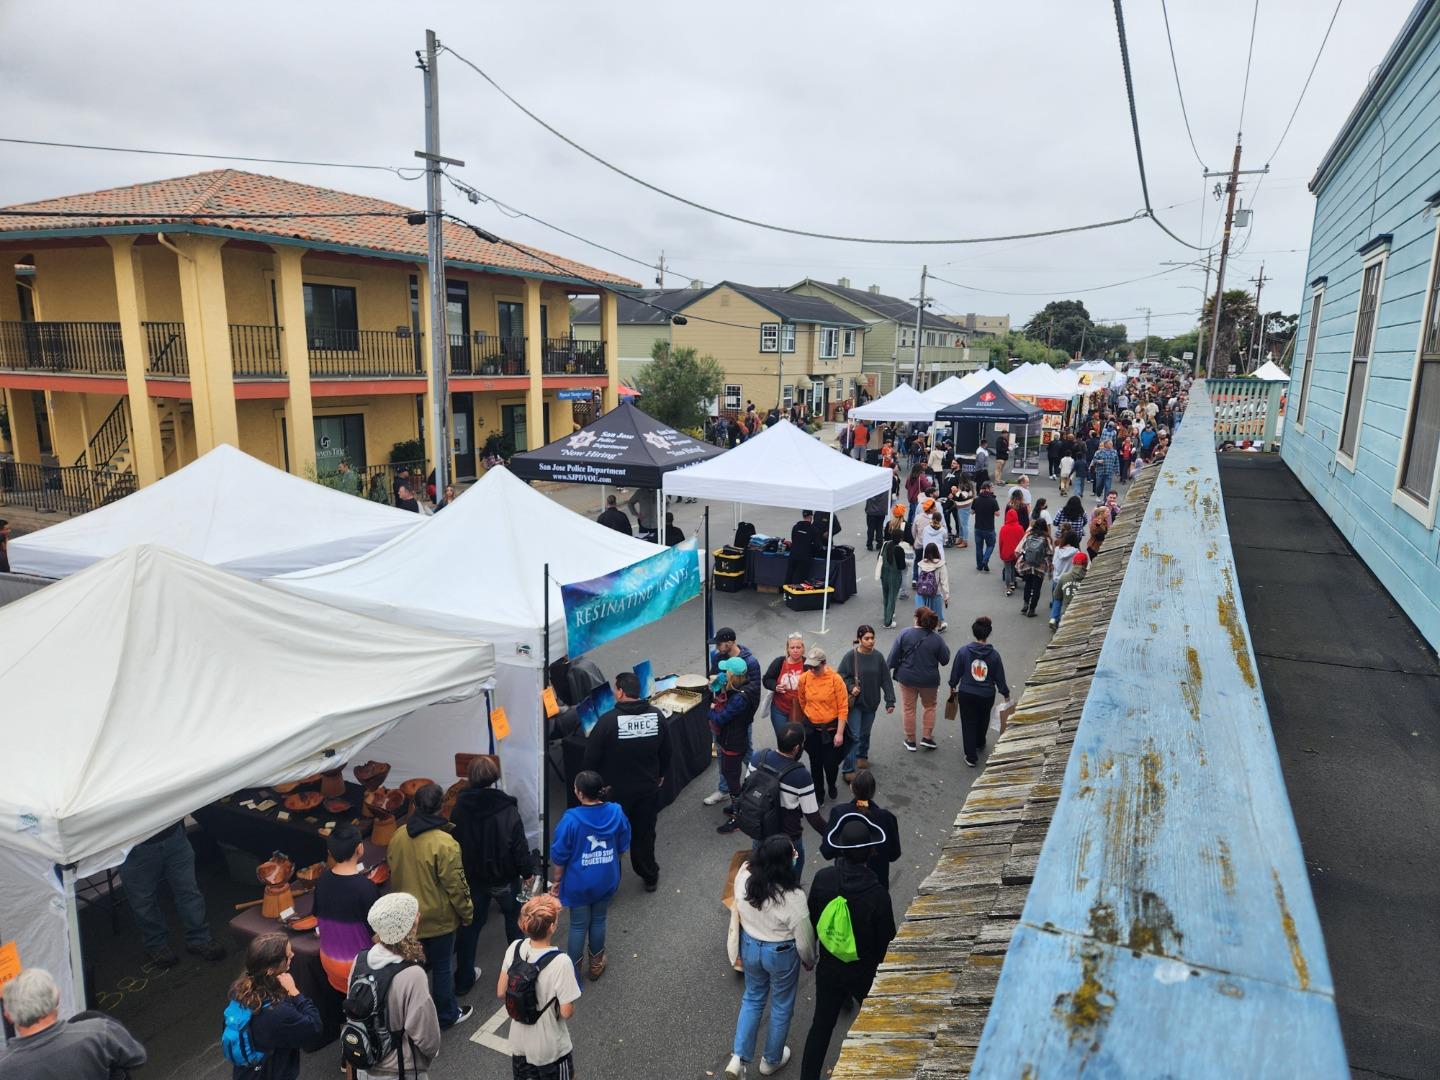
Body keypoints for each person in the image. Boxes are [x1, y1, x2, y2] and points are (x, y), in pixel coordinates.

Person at [798, 814, 897, 1080]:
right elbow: (886, 943)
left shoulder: (822, 879)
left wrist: (813, 953)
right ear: (870, 853)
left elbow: (813, 917)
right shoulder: (877, 895)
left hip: (829, 966)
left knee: (821, 1027)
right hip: (863, 971)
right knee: (874, 1023)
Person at [724, 835, 818, 1080]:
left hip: (750, 946)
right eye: (793, 855)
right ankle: (771, 1060)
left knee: (753, 998)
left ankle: (738, 1058)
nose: (796, 857)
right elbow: (805, 937)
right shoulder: (793, 897)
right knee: (781, 1005)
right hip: (781, 953)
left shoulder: (745, 874)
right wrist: (809, 959)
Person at [386, 783, 475, 1028]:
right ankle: (446, 1014)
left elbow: (393, 867)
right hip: (439, 919)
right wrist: (467, 913)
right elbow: (457, 885)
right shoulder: (445, 843)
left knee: (415, 967)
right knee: (442, 967)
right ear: (441, 807)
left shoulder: (399, 834)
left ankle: (413, 1011)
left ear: (414, 806)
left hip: (408, 916)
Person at [452, 755, 537, 989]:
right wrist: (527, 872)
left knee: (471, 926)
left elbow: (455, 842)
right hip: (504, 877)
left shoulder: (459, 808)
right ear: (493, 777)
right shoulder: (506, 808)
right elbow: (518, 845)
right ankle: (519, 972)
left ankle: (463, 978)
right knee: (513, 918)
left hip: (473, 878)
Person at [586, 671, 670, 890]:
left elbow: (590, 759)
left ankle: (609, 881)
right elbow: (667, 751)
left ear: (621, 692)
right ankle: (649, 875)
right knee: (644, 834)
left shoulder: (606, 722)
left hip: (615, 793)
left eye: (616, 689)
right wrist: (660, 775)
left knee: (611, 838)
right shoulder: (657, 716)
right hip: (646, 790)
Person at [353, 892, 443, 1080]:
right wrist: (428, 1056)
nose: (418, 916)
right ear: (409, 926)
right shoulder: (413, 975)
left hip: (366, 1062)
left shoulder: (360, 960)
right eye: (414, 914)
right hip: (400, 1069)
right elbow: (426, 1036)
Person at [551, 771, 630, 980]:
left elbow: (559, 854)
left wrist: (557, 880)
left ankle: (573, 973)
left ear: (578, 793)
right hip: (606, 878)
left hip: (578, 882)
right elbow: (623, 843)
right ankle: (596, 965)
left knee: (578, 925)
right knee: (599, 920)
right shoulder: (616, 812)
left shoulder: (571, 819)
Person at [0, 968, 145, 1080]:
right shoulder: (98, 1032)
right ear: (57, 998)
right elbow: (137, 1058)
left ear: (8, 1015)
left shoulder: (4, 1067)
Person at [119, 820, 226, 969]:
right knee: (143, 901)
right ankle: (156, 945)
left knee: (189, 891)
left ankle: (199, 938)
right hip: (135, 845)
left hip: (173, 835)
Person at [498, 892, 581, 1080]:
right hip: (550, 1047)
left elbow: (501, 992)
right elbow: (566, 1012)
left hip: (520, 1041)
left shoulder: (515, 948)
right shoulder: (561, 962)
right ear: (551, 927)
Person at [226, 933, 323, 1080]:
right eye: (288, 956)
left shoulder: (239, 989)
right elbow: (314, 1028)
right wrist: (294, 992)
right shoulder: (277, 1012)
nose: (293, 955)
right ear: (270, 970)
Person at [312, 824, 380, 993]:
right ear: (360, 848)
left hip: (329, 962)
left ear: (330, 853)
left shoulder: (322, 881)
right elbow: (378, 935)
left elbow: (317, 915)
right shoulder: (366, 888)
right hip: (360, 969)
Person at [706, 628, 763, 806]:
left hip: (738, 719)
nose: (716, 647)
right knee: (722, 754)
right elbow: (714, 679)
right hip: (723, 713)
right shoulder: (717, 657)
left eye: (719, 643)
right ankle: (724, 790)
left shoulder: (750, 662)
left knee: (746, 753)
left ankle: (761, 786)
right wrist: (713, 683)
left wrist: (744, 718)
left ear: (730, 643)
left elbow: (753, 693)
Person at [819, 770, 902, 889]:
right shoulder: (887, 817)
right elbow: (894, 854)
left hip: (845, 880)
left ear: (852, 787)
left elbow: (827, 851)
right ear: (873, 791)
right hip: (876, 883)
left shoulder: (839, 813)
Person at [947, 617, 1011, 767]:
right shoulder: (994, 655)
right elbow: (1000, 678)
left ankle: (970, 757)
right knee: (983, 719)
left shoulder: (963, 651)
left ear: (974, 632)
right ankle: (980, 742)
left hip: (967, 692)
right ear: (988, 633)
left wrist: (953, 686)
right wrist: (1006, 695)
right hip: (986, 694)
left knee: (968, 722)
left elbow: (955, 673)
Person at [886, 606, 951, 752]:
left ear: (917, 619)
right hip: (929, 680)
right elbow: (945, 659)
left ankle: (910, 740)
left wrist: (885, 671)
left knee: (909, 708)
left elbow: (893, 657)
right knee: (930, 706)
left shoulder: (905, 634)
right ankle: (927, 737)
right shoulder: (937, 639)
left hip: (907, 678)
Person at [836, 626, 896, 780]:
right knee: (854, 735)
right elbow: (840, 677)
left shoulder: (878, 657)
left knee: (865, 733)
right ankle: (848, 769)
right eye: (867, 638)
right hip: (856, 704)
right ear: (860, 639)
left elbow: (885, 680)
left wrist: (890, 701)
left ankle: (862, 756)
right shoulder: (851, 656)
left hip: (871, 702)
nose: (871, 641)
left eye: (872, 638)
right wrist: (850, 687)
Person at [795, 646, 850, 804]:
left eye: (815, 667)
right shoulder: (804, 678)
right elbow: (802, 700)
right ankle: (819, 793)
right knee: (815, 764)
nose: (812, 670)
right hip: (813, 730)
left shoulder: (835, 679)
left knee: (831, 765)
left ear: (824, 663)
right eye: (809, 666)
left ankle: (832, 784)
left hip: (831, 731)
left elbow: (843, 708)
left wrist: (839, 733)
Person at [711, 657, 759, 834]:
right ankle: (736, 805)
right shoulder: (747, 688)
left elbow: (720, 718)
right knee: (729, 773)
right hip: (736, 740)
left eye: (727, 671)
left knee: (732, 779)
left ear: (733, 675)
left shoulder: (739, 698)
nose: (724, 674)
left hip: (732, 742)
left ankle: (737, 817)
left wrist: (711, 709)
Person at [763, 633, 808, 739]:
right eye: (792, 647)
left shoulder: (808, 665)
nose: (795, 650)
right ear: (787, 649)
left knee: (797, 741)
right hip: (779, 710)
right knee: (783, 740)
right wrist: (775, 686)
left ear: (803, 649)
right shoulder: (779, 662)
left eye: (798, 647)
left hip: (802, 710)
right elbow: (766, 679)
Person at [1016, 517, 1053, 618]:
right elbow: (1050, 552)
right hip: (1040, 566)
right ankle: (1032, 609)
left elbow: (1021, 548)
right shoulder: (1046, 538)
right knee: (1037, 588)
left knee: (1028, 584)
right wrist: (1050, 567)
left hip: (1028, 565)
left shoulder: (1029, 535)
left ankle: (1026, 603)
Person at [877, 513, 909, 630]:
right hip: (894, 575)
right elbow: (901, 566)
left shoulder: (885, 545)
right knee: (892, 597)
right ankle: (888, 621)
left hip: (884, 573)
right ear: (900, 539)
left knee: (886, 596)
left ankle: (887, 614)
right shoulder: (899, 549)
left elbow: (879, 558)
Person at [912, 541, 950, 630]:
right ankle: (939, 626)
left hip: (921, 593)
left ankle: (918, 629)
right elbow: (944, 581)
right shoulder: (941, 565)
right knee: (935, 614)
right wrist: (946, 595)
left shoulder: (921, 564)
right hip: (935, 593)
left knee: (920, 613)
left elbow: (919, 578)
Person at [1052, 551, 1089, 630]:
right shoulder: (1089, 579)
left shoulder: (1064, 577)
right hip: (1082, 615)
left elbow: (1057, 596)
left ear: (1073, 563)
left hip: (1066, 613)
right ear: (1086, 564)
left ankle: (1053, 619)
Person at [971, 480, 1000, 572]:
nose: (993, 488)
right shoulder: (993, 500)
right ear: (987, 488)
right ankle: (985, 560)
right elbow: (997, 513)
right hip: (989, 528)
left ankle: (980, 565)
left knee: (979, 547)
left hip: (978, 527)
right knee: (990, 545)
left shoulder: (976, 499)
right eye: (991, 487)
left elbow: (972, 512)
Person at [997, 507, 1024, 598]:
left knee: (1007, 569)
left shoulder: (1003, 528)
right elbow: (1022, 541)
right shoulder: (1020, 528)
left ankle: (1008, 587)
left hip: (1006, 551)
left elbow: (1001, 541)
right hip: (1016, 552)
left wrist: (1001, 552)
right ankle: (1013, 582)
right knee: (1013, 567)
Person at [785, 510, 817, 586]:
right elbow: (817, 546)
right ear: (811, 517)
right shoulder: (813, 529)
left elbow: (794, 540)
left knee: (789, 575)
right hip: (804, 557)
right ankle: (796, 595)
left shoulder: (795, 527)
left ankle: (786, 593)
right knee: (799, 578)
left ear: (803, 516)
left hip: (793, 555)